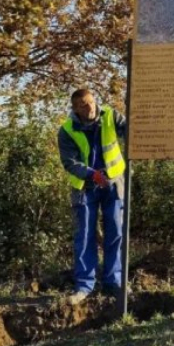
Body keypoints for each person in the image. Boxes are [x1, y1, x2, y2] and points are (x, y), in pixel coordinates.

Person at [58, 89, 128, 304]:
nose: (89, 108)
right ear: (75, 109)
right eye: (82, 105)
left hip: (113, 183)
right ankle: (84, 286)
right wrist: (92, 174)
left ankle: (113, 282)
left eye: (90, 102)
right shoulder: (67, 130)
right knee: (85, 236)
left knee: (116, 232)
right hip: (85, 187)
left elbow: (132, 132)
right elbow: (70, 162)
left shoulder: (110, 116)